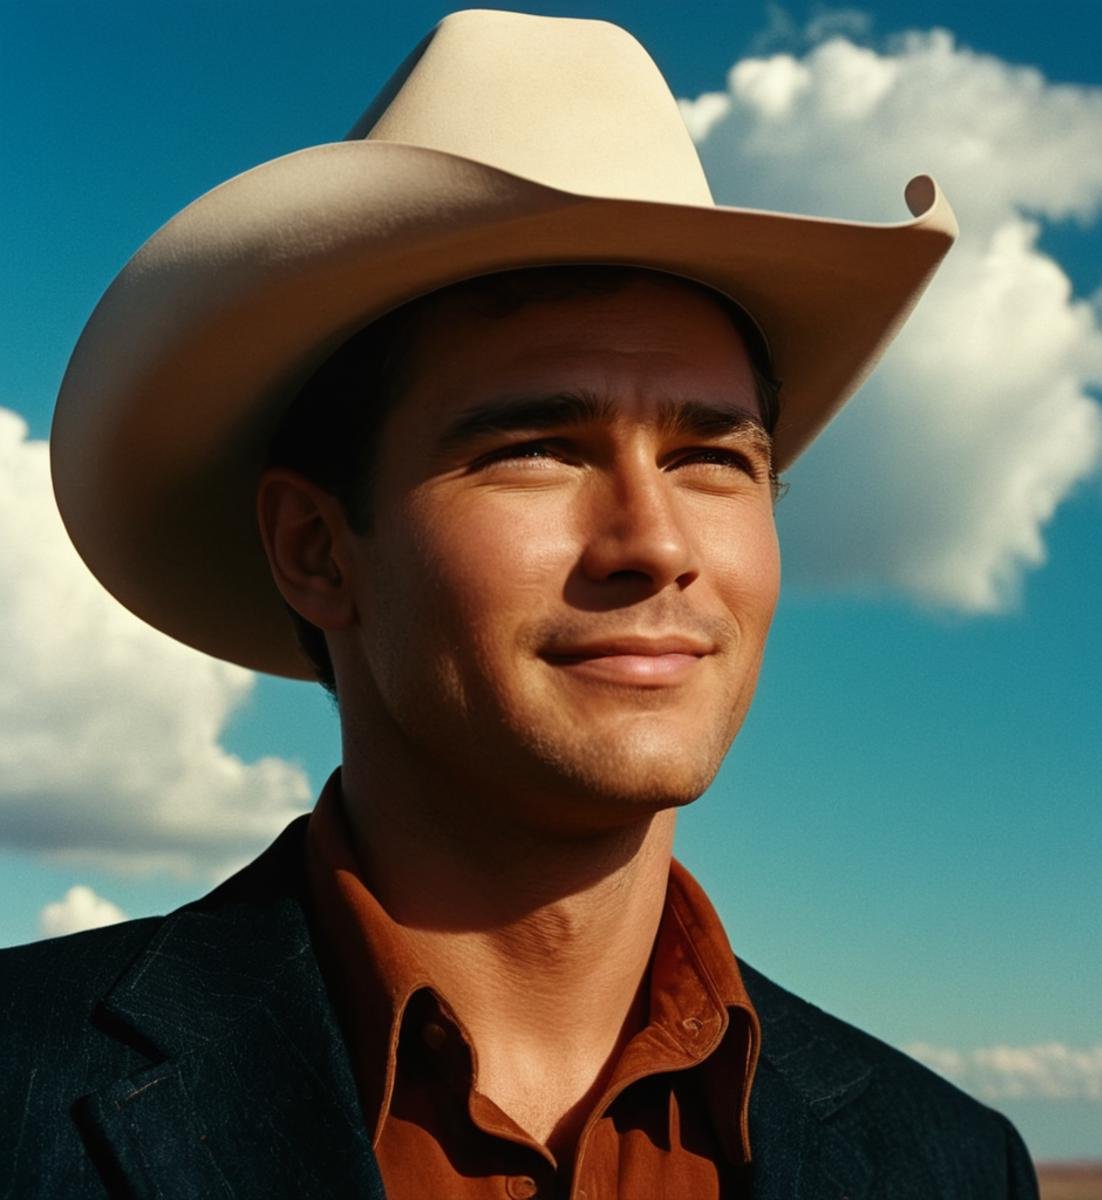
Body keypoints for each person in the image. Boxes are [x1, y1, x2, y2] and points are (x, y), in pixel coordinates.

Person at [2, 9, 1039, 1198]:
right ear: (316, 549)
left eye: (715, 457)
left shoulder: (951, 1164)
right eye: (538, 447)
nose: (655, 544)